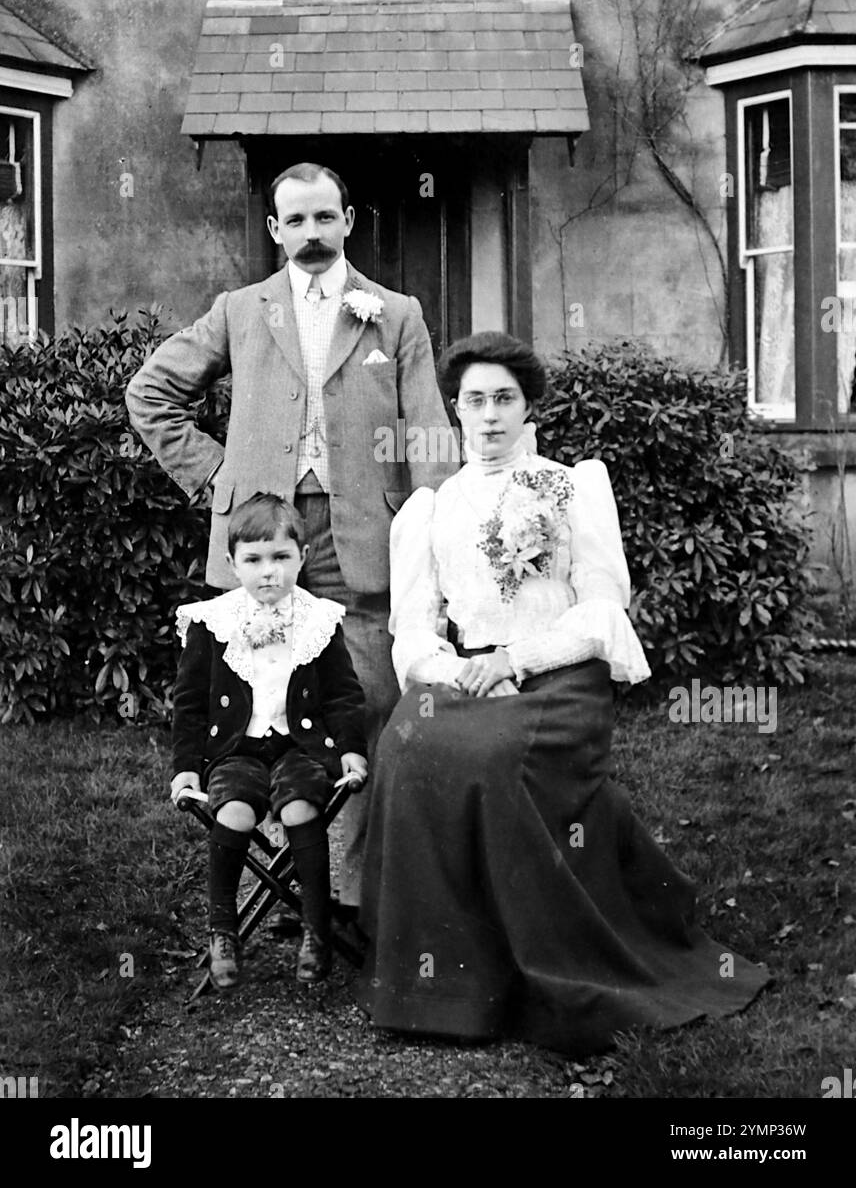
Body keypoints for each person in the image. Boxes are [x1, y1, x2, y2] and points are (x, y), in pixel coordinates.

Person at [356, 331, 769, 1053]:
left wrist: (522, 654)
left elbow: (603, 606)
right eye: (475, 401)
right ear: (454, 409)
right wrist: (459, 670)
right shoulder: (431, 507)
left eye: (504, 400)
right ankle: (438, 987)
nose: (489, 417)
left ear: (528, 407)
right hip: (470, 676)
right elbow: (413, 633)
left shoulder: (570, 485)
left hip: (560, 675)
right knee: (403, 743)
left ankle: (540, 970)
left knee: (494, 758)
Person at [126, 163, 457, 911]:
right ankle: (275, 889)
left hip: (359, 538)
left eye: (324, 218)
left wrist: (432, 530)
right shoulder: (241, 310)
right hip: (262, 539)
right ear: (275, 230)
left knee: (364, 700)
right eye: (295, 221)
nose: (311, 234)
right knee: (250, 704)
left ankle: (350, 889)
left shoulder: (395, 314)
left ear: (348, 221)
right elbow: (150, 393)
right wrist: (221, 480)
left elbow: (431, 434)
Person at [170, 492, 368, 989]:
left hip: (300, 747)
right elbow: (190, 703)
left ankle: (316, 930)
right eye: (254, 560)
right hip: (236, 750)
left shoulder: (319, 619)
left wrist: (350, 748)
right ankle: (223, 930)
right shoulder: (213, 622)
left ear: (302, 558)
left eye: (281, 557)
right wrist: (187, 766)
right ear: (233, 564)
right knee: (234, 811)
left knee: (302, 808)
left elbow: (344, 696)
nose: (269, 572)